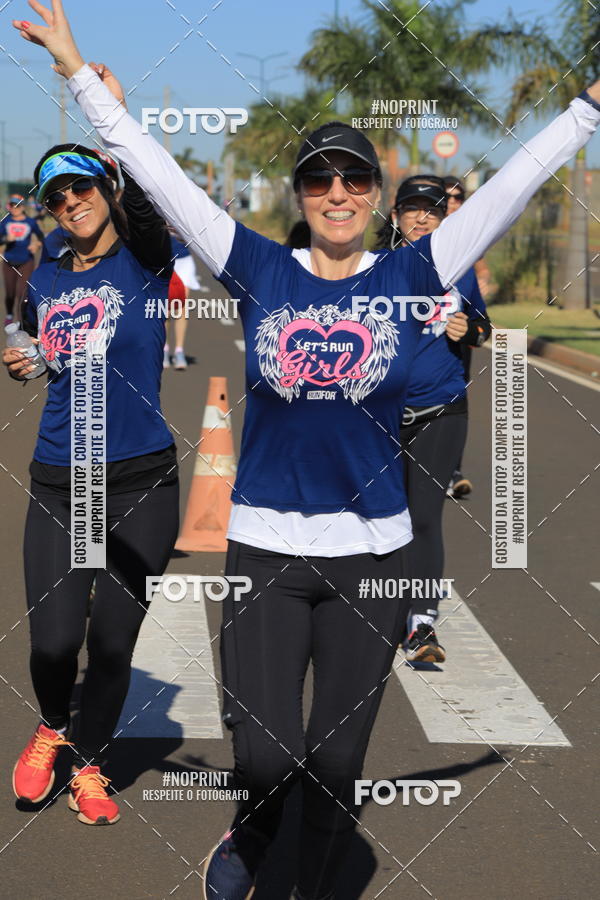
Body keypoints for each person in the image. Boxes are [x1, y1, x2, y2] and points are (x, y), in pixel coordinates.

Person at [19, 2, 600, 892]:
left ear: (374, 194)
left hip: (372, 558)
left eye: (354, 179)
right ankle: (250, 832)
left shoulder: (414, 271)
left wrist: (585, 111)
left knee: (334, 770)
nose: (337, 193)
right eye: (319, 179)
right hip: (265, 552)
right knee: (264, 756)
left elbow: (510, 185)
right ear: (299, 195)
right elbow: (159, 174)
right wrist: (76, 72)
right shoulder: (260, 268)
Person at [2, 136, 179, 826]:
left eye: (81, 186)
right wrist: (29, 359)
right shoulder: (45, 279)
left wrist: (112, 132)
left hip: (141, 484)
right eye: (56, 196)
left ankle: (90, 764)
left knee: (110, 642)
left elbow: (150, 205)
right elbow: (43, 348)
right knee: (53, 642)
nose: (70, 201)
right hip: (64, 481)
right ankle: (53, 725)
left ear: (106, 188)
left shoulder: (145, 260)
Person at [374, 175, 490, 663]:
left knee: (423, 518)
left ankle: (421, 623)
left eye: (434, 211)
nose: (422, 218)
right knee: (378, 518)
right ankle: (373, 613)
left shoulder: (458, 269)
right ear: (395, 216)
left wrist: (469, 329)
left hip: (440, 410)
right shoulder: (371, 267)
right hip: (377, 415)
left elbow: (482, 328)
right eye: (413, 210)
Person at [443, 175, 493, 499]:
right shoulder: (407, 241)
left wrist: (483, 282)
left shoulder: (467, 239)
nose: (451, 203)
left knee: (455, 397)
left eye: (458, 197)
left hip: (456, 337)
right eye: (444, 197)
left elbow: (481, 270)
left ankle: (452, 470)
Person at [0, 193, 43, 325]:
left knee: (22, 294)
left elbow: (41, 237)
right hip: (9, 262)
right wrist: (6, 239)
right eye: (12, 205)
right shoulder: (5, 222)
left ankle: (21, 321)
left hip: (26, 261)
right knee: (10, 293)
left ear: (23, 207)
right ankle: (9, 314)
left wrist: (36, 245)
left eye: (17, 205)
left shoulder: (30, 222)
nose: (15, 208)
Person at [163, 230, 194, 369]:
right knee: (166, 309)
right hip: (163, 260)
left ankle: (179, 351)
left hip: (183, 260)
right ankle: (164, 349)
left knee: (182, 307)